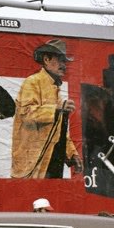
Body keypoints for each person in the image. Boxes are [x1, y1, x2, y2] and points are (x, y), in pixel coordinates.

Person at [11, 39, 83, 179]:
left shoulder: (55, 89)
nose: (64, 65)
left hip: (52, 157)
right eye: (60, 60)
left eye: (65, 61)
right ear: (46, 59)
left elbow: (58, 129)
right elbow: (26, 113)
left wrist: (71, 153)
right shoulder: (32, 82)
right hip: (33, 161)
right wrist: (56, 109)